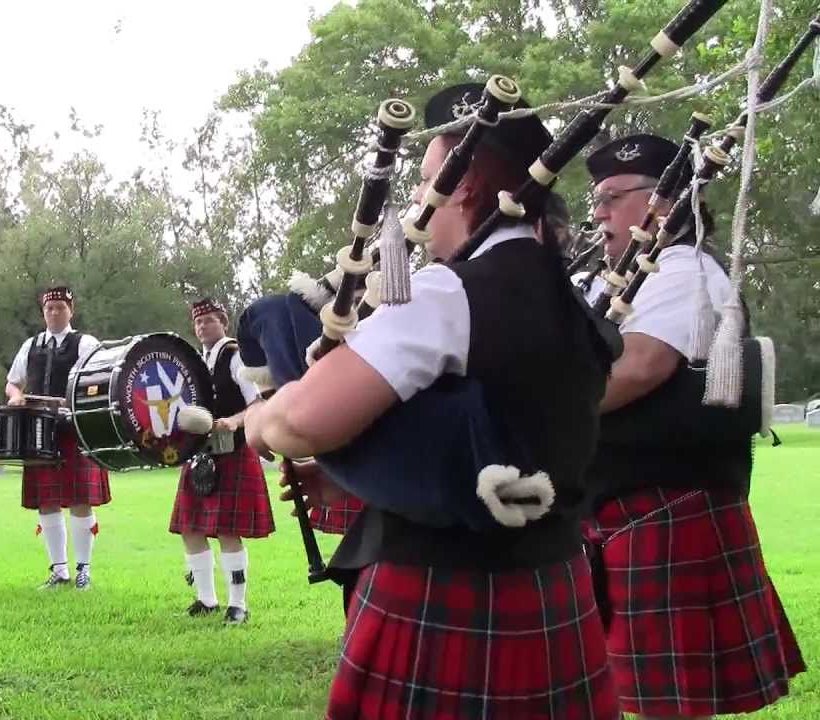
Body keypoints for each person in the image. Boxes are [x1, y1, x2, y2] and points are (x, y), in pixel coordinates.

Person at [244, 83, 619, 718]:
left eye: (424, 180)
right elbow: (495, 431)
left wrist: (260, 419)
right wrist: (370, 475)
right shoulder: (572, 302)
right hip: (551, 591)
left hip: (442, 592)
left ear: (464, 181)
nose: (419, 198)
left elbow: (303, 420)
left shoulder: (448, 293)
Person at [579, 134, 806, 718]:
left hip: (668, 513)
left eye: (610, 198)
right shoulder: (621, 282)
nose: (598, 213)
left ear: (659, 205)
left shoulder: (684, 269)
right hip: (625, 514)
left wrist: (535, 406)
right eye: (594, 200)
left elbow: (634, 369)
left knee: (670, 705)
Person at [168, 298, 274, 624]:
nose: (202, 327)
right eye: (198, 322)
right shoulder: (196, 361)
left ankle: (237, 605)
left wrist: (234, 421)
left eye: (209, 321)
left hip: (233, 451)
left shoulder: (235, 355)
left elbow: (255, 403)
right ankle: (206, 599)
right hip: (201, 453)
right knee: (190, 528)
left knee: (227, 531)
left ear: (223, 322)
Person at [5, 286, 111, 590]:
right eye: (49, 308)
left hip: (74, 429)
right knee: (46, 501)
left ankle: (83, 570)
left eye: (60, 307)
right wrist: (16, 397)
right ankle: (59, 569)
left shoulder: (85, 343)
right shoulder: (31, 345)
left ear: (71, 311)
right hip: (39, 430)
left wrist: (72, 400)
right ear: (43, 312)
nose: (54, 312)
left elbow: (99, 380)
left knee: (80, 500)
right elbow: (13, 383)